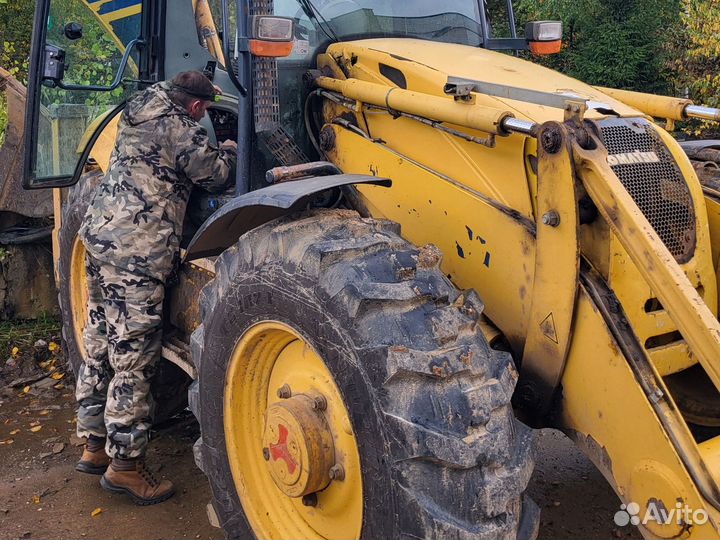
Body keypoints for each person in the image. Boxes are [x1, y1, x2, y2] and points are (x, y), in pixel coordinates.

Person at [73, 70, 237, 505]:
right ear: (198, 107)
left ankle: (93, 443)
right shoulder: (180, 128)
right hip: (137, 252)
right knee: (135, 358)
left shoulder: (138, 107)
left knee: (100, 341)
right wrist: (229, 149)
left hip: (101, 235)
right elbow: (216, 175)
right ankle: (125, 466)